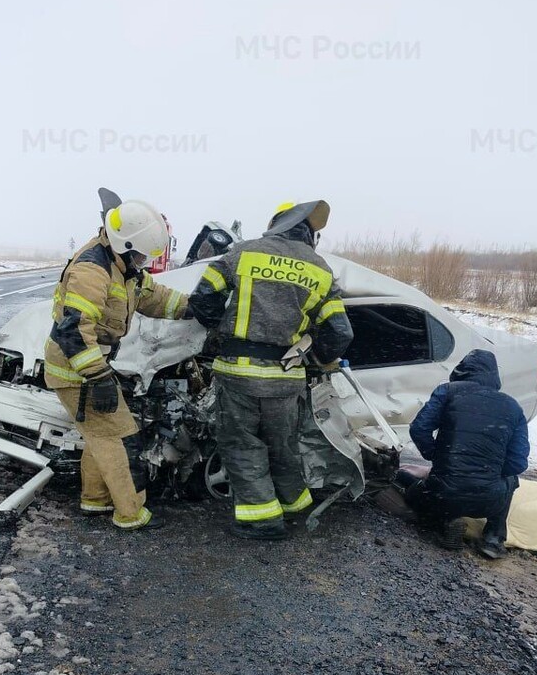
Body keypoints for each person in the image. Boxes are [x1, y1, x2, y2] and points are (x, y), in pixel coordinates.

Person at [188, 200, 355, 540]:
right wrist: (315, 358)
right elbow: (341, 332)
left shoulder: (242, 253)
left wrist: (220, 330)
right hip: (286, 380)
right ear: (309, 234)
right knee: (282, 446)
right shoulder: (320, 269)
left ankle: (263, 520)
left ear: (276, 224)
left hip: (239, 375)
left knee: (242, 444)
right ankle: (294, 508)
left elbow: (202, 298)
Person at [44, 198, 192, 530]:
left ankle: (94, 500)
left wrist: (192, 307)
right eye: (143, 255)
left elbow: (152, 296)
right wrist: (98, 378)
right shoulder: (92, 269)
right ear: (125, 245)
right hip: (76, 370)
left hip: (85, 367)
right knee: (122, 436)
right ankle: (131, 513)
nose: (145, 262)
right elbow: (73, 330)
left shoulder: (123, 267)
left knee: (99, 434)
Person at [405, 349, 530, 558]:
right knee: (511, 478)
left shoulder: (447, 391)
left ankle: (444, 521)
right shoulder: (513, 407)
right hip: (489, 502)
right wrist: (493, 472)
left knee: (412, 494)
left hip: (440, 493)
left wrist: (437, 455)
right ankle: (492, 539)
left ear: (461, 370)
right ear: (494, 376)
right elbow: (518, 462)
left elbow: (419, 429)